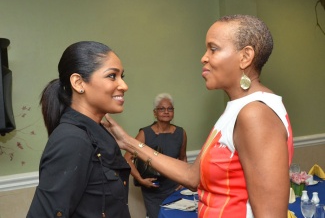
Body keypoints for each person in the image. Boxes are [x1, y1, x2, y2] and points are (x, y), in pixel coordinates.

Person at [102, 14, 294, 218]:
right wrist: (128, 142)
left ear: (245, 57)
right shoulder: (238, 108)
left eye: (213, 48)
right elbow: (193, 176)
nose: (204, 57)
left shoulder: (256, 113)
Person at [27, 41, 131, 218]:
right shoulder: (72, 139)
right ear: (78, 82)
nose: (124, 85)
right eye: (112, 76)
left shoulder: (97, 133)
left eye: (122, 76)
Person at [124, 93, 187, 218]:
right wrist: (141, 180)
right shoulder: (145, 133)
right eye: (162, 109)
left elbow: (183, 158)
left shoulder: (181, 133)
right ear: (155, 113)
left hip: (174, 188)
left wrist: (184, 180)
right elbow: (127, 159)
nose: (166, 112)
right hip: (153, 190)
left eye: (170, 109)